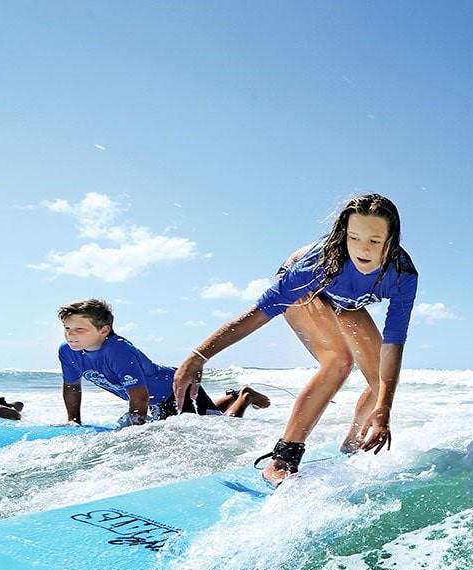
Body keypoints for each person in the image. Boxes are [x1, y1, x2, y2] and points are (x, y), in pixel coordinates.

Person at [173, 193, 418, 486]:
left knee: (382, 384)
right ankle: (283, 458)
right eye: (354, 238)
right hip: (306, 282)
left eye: (374, 241)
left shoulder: (402, 274)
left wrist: (384, 411)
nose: (362, 249)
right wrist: (199, 356)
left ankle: (352, 443)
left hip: (346, 300)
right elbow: (259, 313)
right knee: (338, 361)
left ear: (391, 241)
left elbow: (394, 341)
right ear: (344, 235)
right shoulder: (320, 264)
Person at [59, 299, 269, 427]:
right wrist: (74, 421)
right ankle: (233, 396)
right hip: (155, 398)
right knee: (198, 417)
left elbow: (139, 397)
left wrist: (131, 434)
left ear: (104, 330)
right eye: (67, 328)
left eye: (80, 330)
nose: (71, 335)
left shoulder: (117, 350)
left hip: (176, 388)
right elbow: (71, 386)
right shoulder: (67, 352)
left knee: (212, 426)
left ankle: (245, 397)